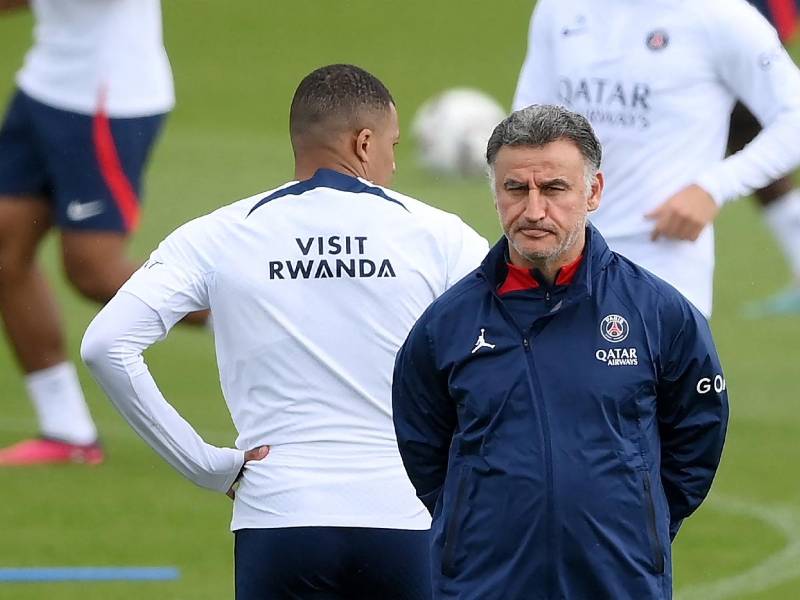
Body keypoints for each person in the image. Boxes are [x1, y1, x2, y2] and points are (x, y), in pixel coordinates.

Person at [81, 64, 489, 600]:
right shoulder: (441, 235)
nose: (392, 162)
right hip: (409, 518)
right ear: (363, 143)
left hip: (278, 518)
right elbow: (506, 355)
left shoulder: (219, 234)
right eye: (391, 145)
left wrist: (208, 467)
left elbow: (106, 345)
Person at [392, 105, 729, 599]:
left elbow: (697, 435)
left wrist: (641, 519)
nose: (533, 211)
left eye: (553, 189)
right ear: (494, 192)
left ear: (592, 192)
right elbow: (423, 446)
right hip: (484, 583)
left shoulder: (658, 313)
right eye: (515, 189)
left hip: (618, 578)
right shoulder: (447, 324)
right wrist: (472, 521)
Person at [512, 0, 800, 317]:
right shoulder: (559, 8)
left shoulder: (722, 15)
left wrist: (713, 187)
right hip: (554, 258)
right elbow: (526, 123)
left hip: (661, 268)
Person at [0, 0, 174, 465]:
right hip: (45, 84)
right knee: (3, 247)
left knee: (93, 270)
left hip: (108, 98)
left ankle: (263, 304)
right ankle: (67, 432)